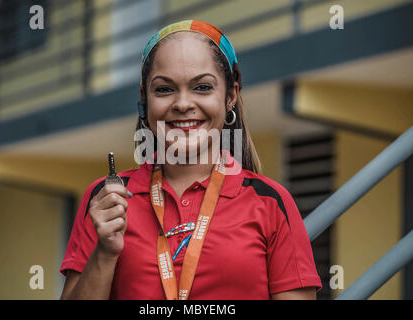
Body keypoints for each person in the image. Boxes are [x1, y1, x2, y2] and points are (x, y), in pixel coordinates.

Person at [60, 20, 322, 300]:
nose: (183, 104)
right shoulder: (107, 199)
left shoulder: (270, 202)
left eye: (202, 87)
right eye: (164, 89)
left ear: (231, 95)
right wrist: (105, 251)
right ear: (144, 99)